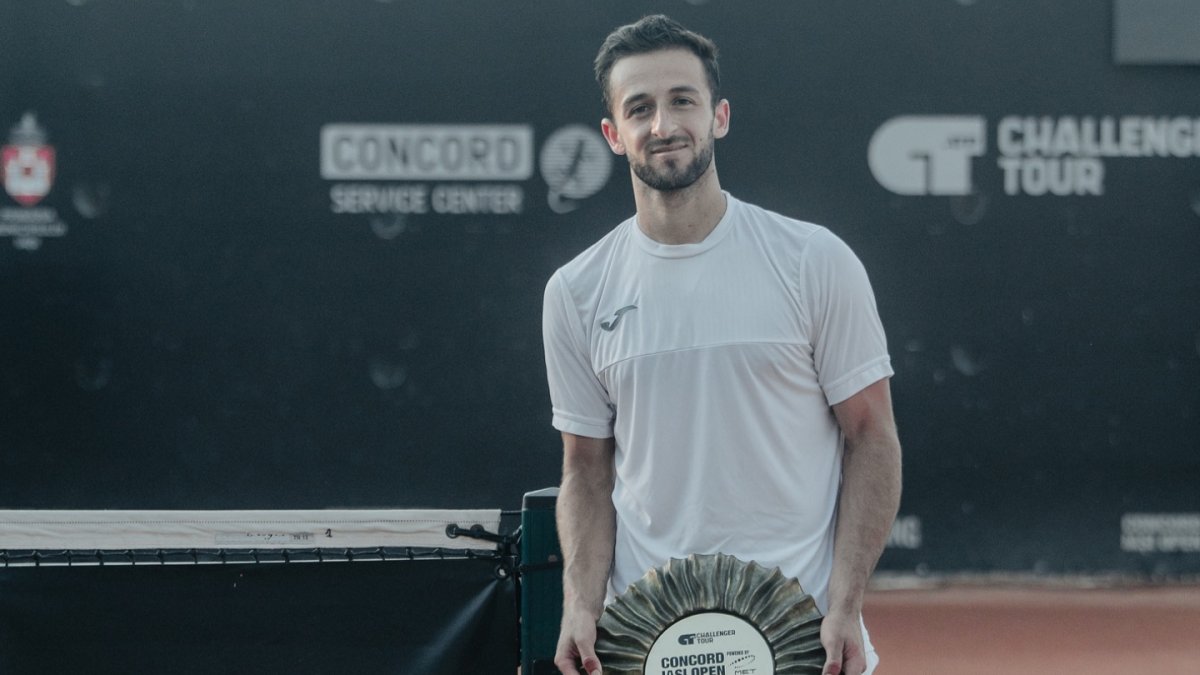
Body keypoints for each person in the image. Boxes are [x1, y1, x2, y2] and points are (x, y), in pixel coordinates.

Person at [541, 14, 902, 675]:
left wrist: (845, 605)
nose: (663, 125)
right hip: (647, 644)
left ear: (720, 116)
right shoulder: (576, 291)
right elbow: (585, 470)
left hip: (802, 641)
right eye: (640, 108)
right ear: (612, 135)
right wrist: (579, 603)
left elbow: (871, 437)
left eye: (683, 100)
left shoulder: (814, 261)